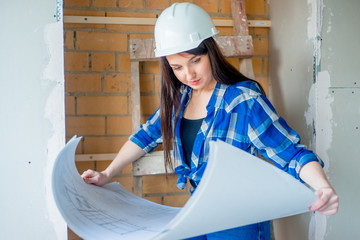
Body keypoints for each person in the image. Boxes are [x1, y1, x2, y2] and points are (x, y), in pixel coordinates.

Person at [81, 3, 339, 239]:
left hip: (240, 217)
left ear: (210, 52)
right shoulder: (178, 101)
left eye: (195, 61)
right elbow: (145, 136)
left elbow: (291, 154)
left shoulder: (243, 101)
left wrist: (322, 187)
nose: (189, 74)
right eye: (177, 67)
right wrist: (106, 173)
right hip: (198, 209)